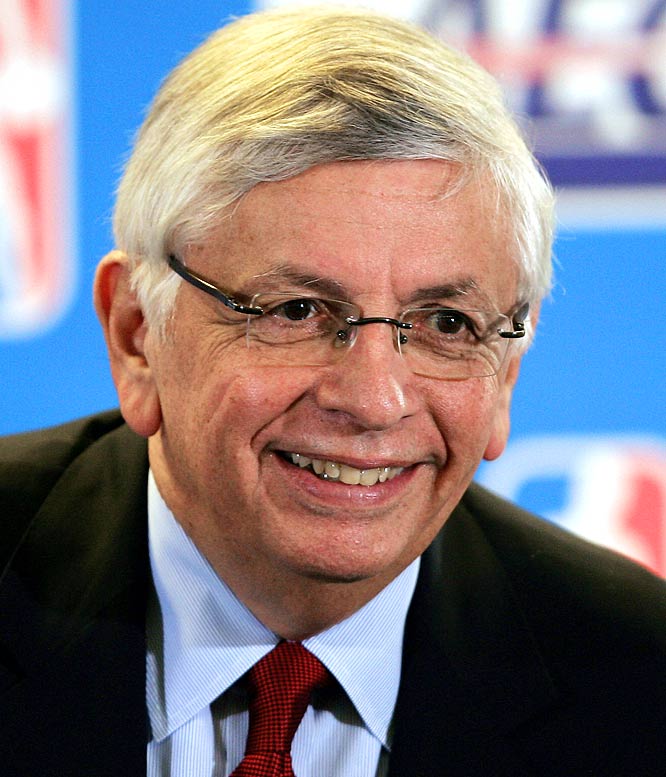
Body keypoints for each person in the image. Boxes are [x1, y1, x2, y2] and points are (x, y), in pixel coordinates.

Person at [1, 6, 664, 776]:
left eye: (447, 323)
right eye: (296, 311)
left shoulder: (636, 685)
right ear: (136, 333)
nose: (376, 399)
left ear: (507, 366)